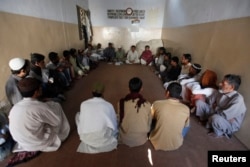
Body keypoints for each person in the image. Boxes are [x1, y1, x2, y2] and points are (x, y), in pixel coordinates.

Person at [8, 78, 70, 165]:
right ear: (36, 92)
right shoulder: (39, 107)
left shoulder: (14, 108)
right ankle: (61, 133)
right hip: (37, 142)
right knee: (56, 106)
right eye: (40, 88)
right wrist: (50, 105)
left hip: (23, 142)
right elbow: (56, 121)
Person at [195, 74, 246, 138]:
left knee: (215, 118)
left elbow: (225, 116)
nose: (220, 84)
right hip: (218, 113)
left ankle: (219, 133)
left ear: (231, 87)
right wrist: (204, 98)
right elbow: (210, 102)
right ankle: (205, 120)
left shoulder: (238, 99)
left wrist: (216, 107)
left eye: (223, 83)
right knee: (199, 102)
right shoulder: (221, 91)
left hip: (228, 123)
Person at [75, 82, 118, 153]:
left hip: (87, 138)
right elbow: (113, 124)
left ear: (92, 92)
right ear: (103, 93)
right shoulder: (108, 105)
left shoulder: (83, 104)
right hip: (104, 138)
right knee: (114, 118)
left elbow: (82, 121)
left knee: (78, 115)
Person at [149, 82, 190, 151]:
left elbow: (151, 118)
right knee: (188, 125)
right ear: (179, 95)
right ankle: (175, 137)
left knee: (154, 118)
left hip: (156, 141)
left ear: (167, 93)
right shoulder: (186, 109)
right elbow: (186, 125)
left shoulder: (156, 103)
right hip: (176, 144)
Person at [118, 77, 152, 147]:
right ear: (141, 88)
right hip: (142, 139)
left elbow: (120, 119)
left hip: (125, 138)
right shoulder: (147, 104)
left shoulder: (121, 103)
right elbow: (149, 122)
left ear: (128, 88)